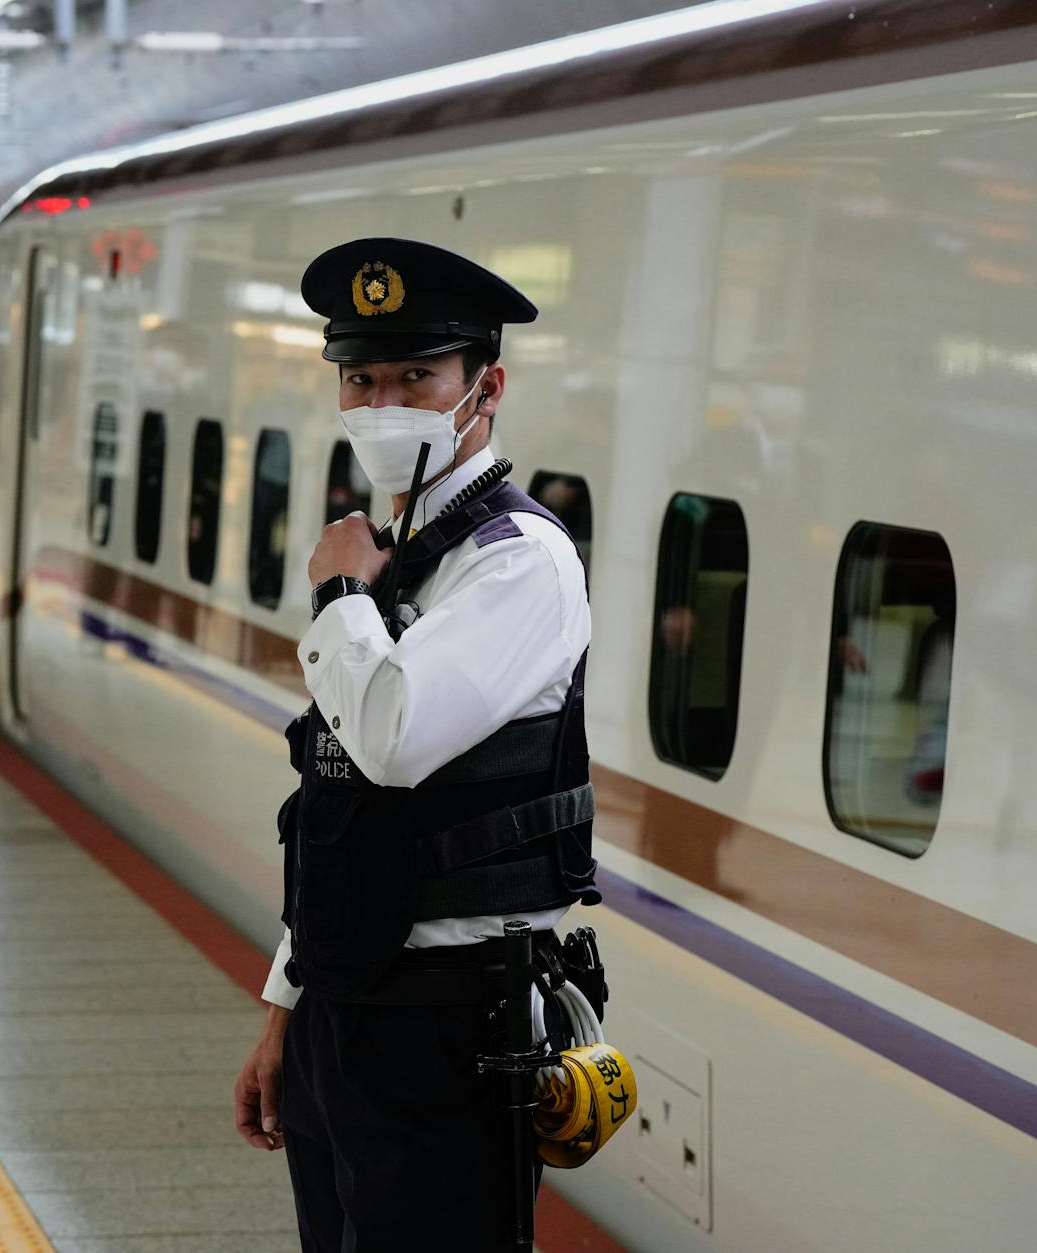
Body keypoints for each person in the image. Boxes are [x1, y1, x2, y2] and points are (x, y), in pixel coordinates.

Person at [233, 238, 599, 1250]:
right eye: (361, 377)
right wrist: (285, 1009)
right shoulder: (401, 556)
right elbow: (338, 804)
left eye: (415, 376)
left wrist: (340, 592)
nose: (382, 401)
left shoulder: (517, 564)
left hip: (448, 1034)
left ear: (484, 385)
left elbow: (391, 738)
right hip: (342, 1012)